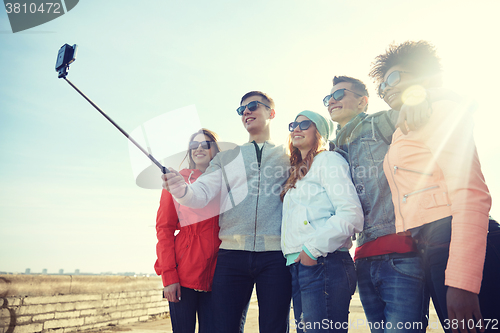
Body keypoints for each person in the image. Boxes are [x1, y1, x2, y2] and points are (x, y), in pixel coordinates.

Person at [370, 40, 499, 333]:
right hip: (431, 246)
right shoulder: (408, 122)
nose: (386, 89)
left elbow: (471, 193)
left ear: (423, 77)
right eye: (381, 86)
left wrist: (463, 281)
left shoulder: (438, 110)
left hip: (455, 239)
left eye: (394, 78)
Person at [162, 91, 292, 333]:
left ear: (271, 113)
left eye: (253, 106)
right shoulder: (227, 157)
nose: (246, 112)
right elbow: (200, 194)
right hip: (231, 256)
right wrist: (181, 190)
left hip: (275, 256)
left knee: (274, 328)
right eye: (242, 109)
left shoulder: (289, 156)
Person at [326, 76, 427, 332]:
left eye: (340, 95)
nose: (332, 101)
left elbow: (430, 115)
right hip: (362, 259)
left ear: (362, 102)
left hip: (401, 253)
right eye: (329, 98)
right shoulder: (333, 150)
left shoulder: (382, 122)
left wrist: (418, 98)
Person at [281, 110, 363, 332]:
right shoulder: (298, 172)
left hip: (324, 263)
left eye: (305, 124)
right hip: (300, 266)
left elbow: (351, 213)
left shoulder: (328, 160)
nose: (296, 129)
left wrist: (310, 251)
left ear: (320, 132)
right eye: (293, 125)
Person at [154, 128, 222, 333]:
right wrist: (169, 277)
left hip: (218, 275)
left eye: (205, 144)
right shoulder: (177, 181)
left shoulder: (224, 182)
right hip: (183, 275)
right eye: (194, 145)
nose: (199, 148)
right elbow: (164, 229)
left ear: (215, 150)